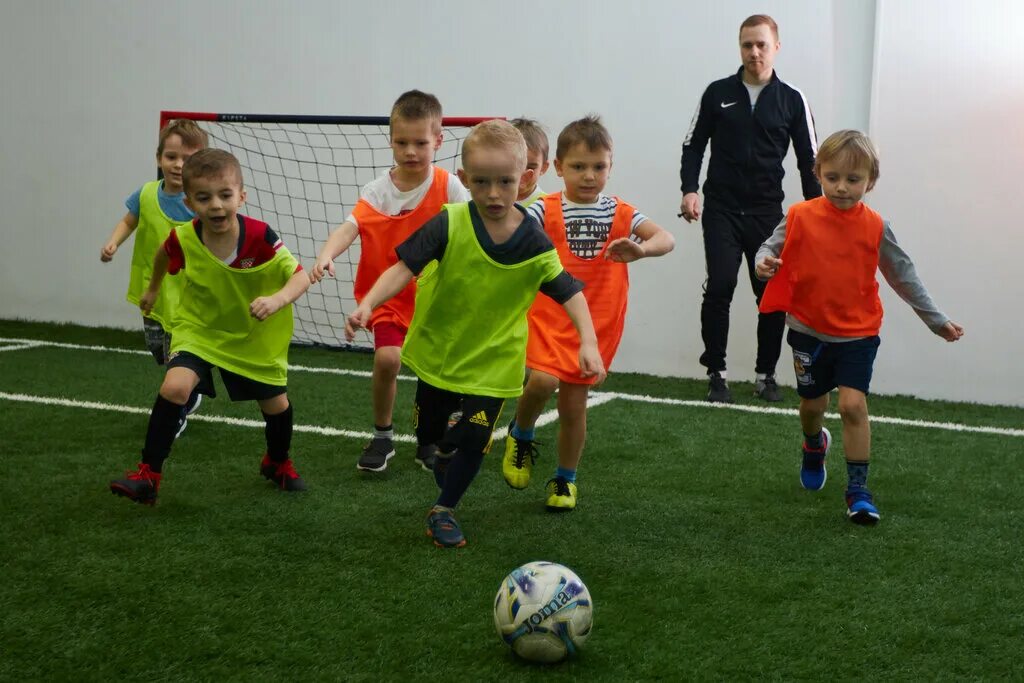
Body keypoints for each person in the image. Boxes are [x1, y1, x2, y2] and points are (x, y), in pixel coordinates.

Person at [345, 119, 605, 548]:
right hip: (440, 354)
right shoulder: (449, 223)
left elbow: (569, 292)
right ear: (465, 180)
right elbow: (403, 268)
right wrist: (368, 304)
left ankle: (444, 508)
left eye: (505, 182)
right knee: (433, 438)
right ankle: (441, 447)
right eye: (481, 182)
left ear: (524, 180)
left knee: (474, 437)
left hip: (495, 361)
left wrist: (588, 344)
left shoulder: (534, 242)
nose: (493, 193)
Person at [755, 130, 964, 525]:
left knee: (852, 405)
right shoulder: (800, 215)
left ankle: (858, 491)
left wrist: (936, 320)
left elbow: (904, 277)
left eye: (853, 180)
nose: (842, 187)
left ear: (871, 181)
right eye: (832, 177)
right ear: (818, 172)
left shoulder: (876, 226)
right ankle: (814, 444)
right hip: (807, 328)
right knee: (813, 405)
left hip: (858, 333)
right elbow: (769, 247)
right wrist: (763, 263)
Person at [109, 149, 312, 505]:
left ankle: (277, 462)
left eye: (225, 195)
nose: (216, 206)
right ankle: (148, 475)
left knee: (275, 405)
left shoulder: (261, 237)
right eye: (204, 198)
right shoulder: (184, 237)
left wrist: (277, 300)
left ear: (241, 196)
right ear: (189, 202)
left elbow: (299, 277)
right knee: (175, 387)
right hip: (199, 329)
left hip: (252, 335)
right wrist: (153, 287)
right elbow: (161, 254)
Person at [502, 116, 675, 511]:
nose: (589, 175)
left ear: (610, 167)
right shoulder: (544, 209)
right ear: (559, 168)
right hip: (550, 316)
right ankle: (522, 432)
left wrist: (642, 250)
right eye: (579, 167)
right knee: (542, 381)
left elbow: (666, 238)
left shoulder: (621, 211)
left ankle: (565, 481)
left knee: (574, 405)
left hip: (597, 324)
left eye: (599, 167)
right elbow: (510, 229)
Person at [310, 90, 469, 473]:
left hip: (435, 300)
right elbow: (350, 228)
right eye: (402, 142)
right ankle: (382, 435)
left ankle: (427, 440)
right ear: (390, 140)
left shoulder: (449, 187)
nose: (411, 151)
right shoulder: (378, 190)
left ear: (439, 140)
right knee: (387, 358)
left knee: (439, 377)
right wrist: (326, 254)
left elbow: (474, 228)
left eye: (421, 142)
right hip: (387, 298)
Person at [680, 14, 821, 403]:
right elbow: (693, 145)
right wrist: (690, 191)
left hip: (766, 215)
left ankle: (766, 375)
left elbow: (810, 160)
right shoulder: (717, 92)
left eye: (761, 44)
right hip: (721, 210)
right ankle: (717, 374)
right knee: (721, 285)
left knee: (770, 294)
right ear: (740, 48)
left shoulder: (792, 99)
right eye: (747, 45)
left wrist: (818, 214)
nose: (754, 52)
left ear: (776, 47)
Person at [100, 119, 208, 432]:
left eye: (187, 159)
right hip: (151, 292)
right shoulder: (146, 194)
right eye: (172, 157)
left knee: (178, 356)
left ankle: (179, 406)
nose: (178, 165)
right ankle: (187, 390)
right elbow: (129, 221)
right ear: (159, 158)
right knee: (157, 351)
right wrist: (113, 242)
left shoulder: (199, 204)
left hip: (187, 297)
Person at [509, 117, 551, 207]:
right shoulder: (487, 200)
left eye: (531, 167)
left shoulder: (548, 206)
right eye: (513, 165)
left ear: (544, 167)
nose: (523, 173)